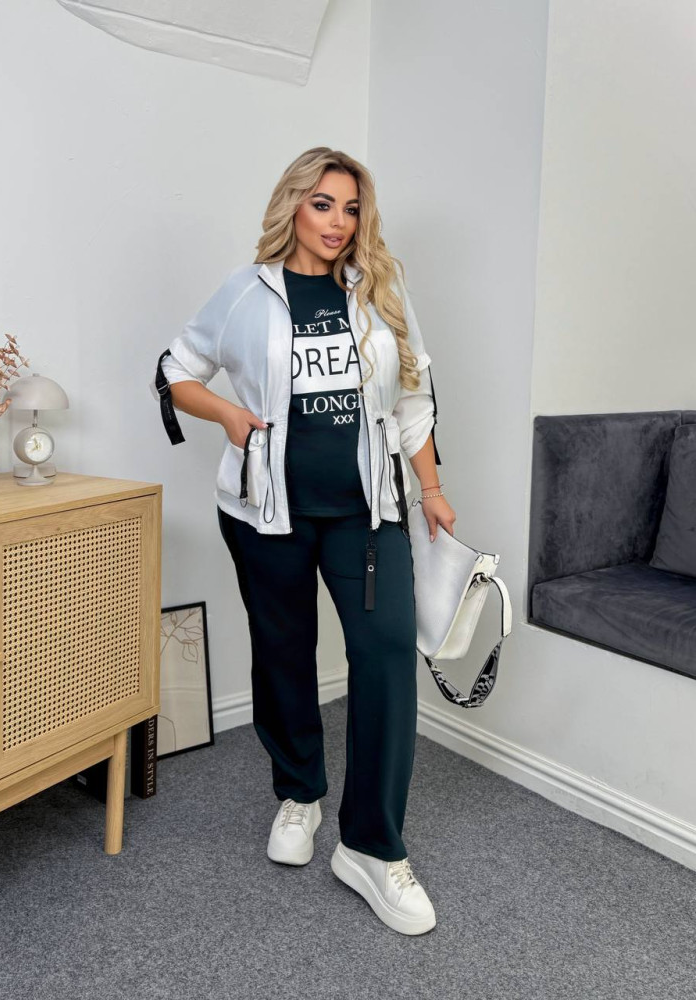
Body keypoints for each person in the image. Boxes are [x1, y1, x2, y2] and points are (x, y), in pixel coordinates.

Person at [153, 147, 457, 936]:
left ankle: (372, 848)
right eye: (323, 204)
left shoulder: (379, 291)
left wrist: (430, 490)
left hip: (368, 513)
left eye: (351, 208)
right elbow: (175, 370)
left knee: (385, 658)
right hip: (267, 513)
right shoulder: (245, 293)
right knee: (282, 651)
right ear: (293, 205)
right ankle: (299, 793)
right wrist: (228, 414)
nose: (339, 222)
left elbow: (415, 399)